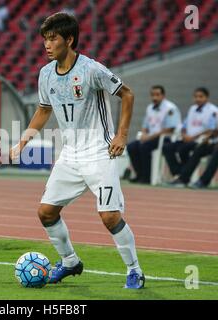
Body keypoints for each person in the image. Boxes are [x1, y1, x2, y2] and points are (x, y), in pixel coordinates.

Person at [9, 13, 144, 289]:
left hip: (99, 153)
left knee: (109, 216)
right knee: (46, 212)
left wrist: (121, 134)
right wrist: (23, 142)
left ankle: (135, 270)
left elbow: (127, 94)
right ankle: (70, 261)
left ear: (69, 40)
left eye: (52, 39)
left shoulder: (91, 69)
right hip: (70, 154)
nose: (47, 45)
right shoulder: (46, 74)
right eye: (45, 39)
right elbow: (44, 109)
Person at [126, 85, 181, 184]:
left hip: (165, 138)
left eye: (157, 95)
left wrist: (149, 137)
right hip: (150, 138)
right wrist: (143, 134)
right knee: (131, 147)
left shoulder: (170, 108)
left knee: (144, 146)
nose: (154, 97)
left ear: (163, 96)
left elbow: (170, 128)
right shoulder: (150, 108)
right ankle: (139, 174)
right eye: (152, 95)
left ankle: (147, 178)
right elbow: (145, 125)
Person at [163, 87, 218, 176]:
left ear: (207, 98)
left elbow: (211, 130)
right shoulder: (192, 109)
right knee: (167, 147)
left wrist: (193, 137)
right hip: (188, 139)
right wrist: (184, 135)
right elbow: (184, 126)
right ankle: (178, 173)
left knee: (182, 149)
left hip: (201, 141)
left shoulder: (213, 111)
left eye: (201, 96)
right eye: (196, 97)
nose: (198, 99)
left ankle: (183, 175)